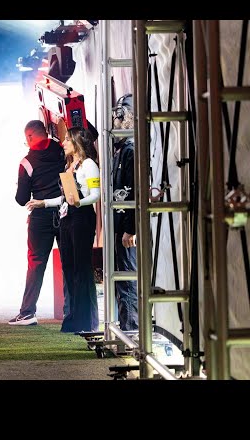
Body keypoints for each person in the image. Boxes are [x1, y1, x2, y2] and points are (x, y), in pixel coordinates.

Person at [28, 126, 100, 333]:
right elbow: (65, 197)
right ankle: (74, 317)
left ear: (78, 142)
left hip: (82, 219)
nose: (64, 143)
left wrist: (78, 203)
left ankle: (86, 320)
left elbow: (95, 195)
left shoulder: (89, 165)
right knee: (68, 268)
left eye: (68, 139)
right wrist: (44, 203)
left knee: (81, 268)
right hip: (68, 219)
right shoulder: (72, 166)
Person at [9, 120, 67, 326]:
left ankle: (27, 312)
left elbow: (21, 199)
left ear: (30, 136)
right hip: (65, 212)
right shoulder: (62, 149)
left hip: (40, 216)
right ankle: (70, 312)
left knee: (36, 264)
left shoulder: (27, 162)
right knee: (68, 263)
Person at [111, 94, 138, 331]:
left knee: (128, 277)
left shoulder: (130, 151)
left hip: (126, 225)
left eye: (119, 116)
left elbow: (135, 192)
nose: (115, 121)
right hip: (119, 222)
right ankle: (126, 325)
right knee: (122, 277)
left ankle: (131, 328)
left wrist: (131, 228)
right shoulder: (120, 150)